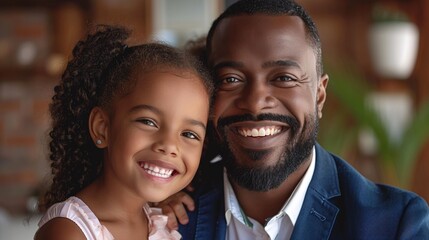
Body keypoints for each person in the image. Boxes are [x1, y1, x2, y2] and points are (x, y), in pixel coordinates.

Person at [158, 0, 429, 239]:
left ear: (319, 96)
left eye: (284, 78)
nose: (254, 102)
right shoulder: (162, 214)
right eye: (230, 79)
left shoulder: (396, 225)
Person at [34, 25, 213, 240]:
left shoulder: (162, 225)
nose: (169, 145)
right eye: (148, 122)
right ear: (102, 127)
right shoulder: (70, 232)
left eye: (189, 134)